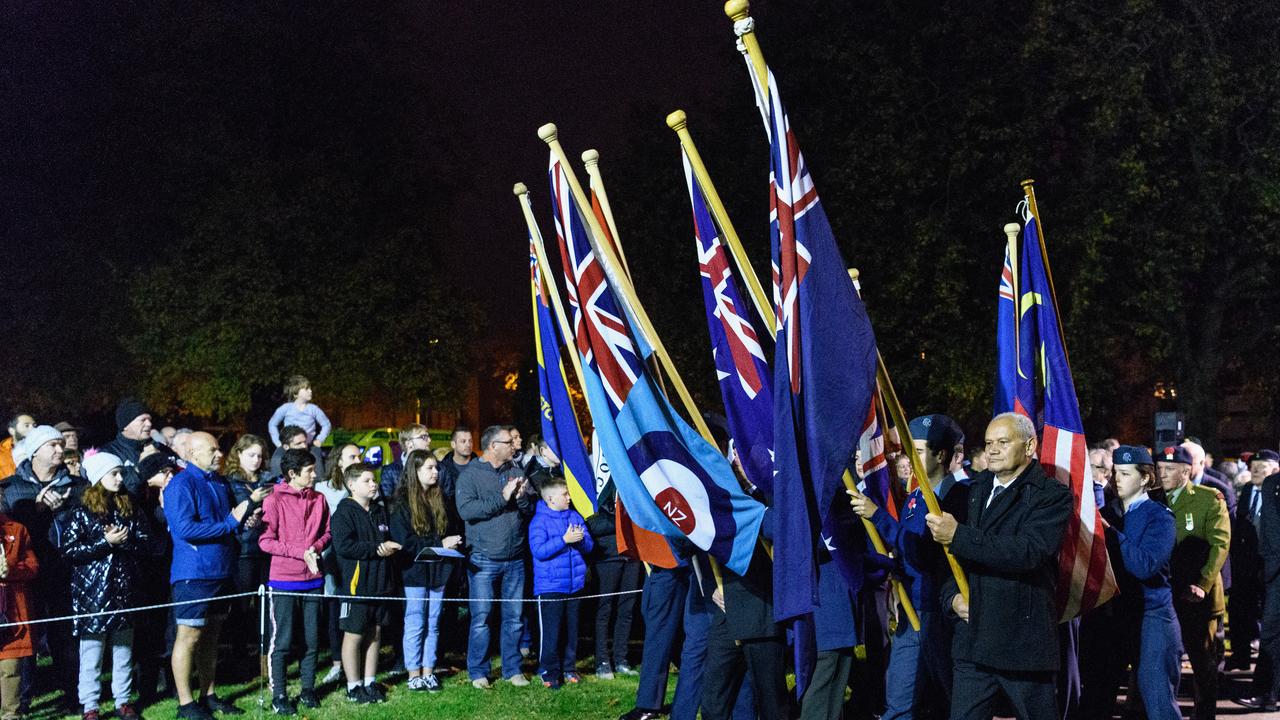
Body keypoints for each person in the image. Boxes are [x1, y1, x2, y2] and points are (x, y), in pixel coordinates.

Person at [926, 412, 1072, 720]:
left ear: (1030, 446)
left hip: (1021, 645)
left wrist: (960, 535)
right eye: (989, 442)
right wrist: (951, 598)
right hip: (973, 642)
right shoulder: (972, 491)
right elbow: (950, 561)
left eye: (1003, 442)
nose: (992, 449)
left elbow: (1028, 551)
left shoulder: (1050, 496)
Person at [849, 413, 969, 719]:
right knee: (900, 701)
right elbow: (905, 554)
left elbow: (925, 554)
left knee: (952, 700)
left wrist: (878, 516)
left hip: (939, 613)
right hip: (911, 607)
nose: (910, 458)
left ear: (941, 455)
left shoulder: (959, 496)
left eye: (918, 451)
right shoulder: (915, 496)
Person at [164, 432, 268, 720]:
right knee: (189, 636)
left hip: (223, 570)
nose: (219, 454)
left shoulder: (220, 482)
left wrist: (243, 523)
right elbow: (186, 530)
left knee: (212, 636)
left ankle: (208, 696)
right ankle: (185, 704)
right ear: (192, 453)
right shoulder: (181, 484)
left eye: (219, 448)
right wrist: (231, 522)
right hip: (195, 573)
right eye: (211, 450)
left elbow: (227, 524)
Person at [1093, 446, 1181, 720]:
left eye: (1126, 473)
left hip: (1151, 615)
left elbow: (1144, 566)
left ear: (1145, 478)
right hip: (1114, 615)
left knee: (1158, 702)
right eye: (1116, 473)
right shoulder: (1106, 513)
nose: (1117, 479)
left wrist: (1112, 534)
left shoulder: (1160, 517)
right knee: (1098, 697)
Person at [64, 453, 152, 720]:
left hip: (124, 588)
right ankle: (90, 705)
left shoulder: (129, 507)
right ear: (98, 477)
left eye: (120, 473)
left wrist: (123, 543)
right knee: (91, 653)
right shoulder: (80, 512)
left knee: (123, 650)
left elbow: (146, 542)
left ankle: (123, 700)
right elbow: (69, 550)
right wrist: (105, 543)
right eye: (113, 473)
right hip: (91, 592)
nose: (120, 478)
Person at [2, 424, 84, 712]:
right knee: (25, 641)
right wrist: (37, 511)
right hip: (25, 576)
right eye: (52, 445)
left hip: (65, 572)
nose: (59, 450)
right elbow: (10, 529)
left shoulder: (76, 487)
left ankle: (72, 696)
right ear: (35, 451)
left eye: (61, 445)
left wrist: (64, 511)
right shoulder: (11, 488)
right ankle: (22, 700)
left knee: (65, 637)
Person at [456, 425, 536, 688]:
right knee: (481, 618)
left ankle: (512, 669)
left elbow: (528, 510)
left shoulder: (515, 471)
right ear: (493, 446)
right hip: (483, 559)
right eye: (508, 442)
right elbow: (468, 511)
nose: (514, 445)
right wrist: (503, 498)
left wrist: (523, 498)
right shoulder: (470, 476)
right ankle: (478, 671)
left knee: (513, 617)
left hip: (515, 558)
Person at [1158, 444, 1230, 720]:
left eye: (1169, 469)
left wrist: (1203, 582)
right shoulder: (1154, 499)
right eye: (1160, 468)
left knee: (1202, 661)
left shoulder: (1209, 499)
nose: (1162, 474)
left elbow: (1219, 545)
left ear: (1187, 471)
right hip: (1166, 593)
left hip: (1197, 596)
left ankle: (1204, 713)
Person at [259, 448, 329, 715]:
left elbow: (327, 532)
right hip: (284, 581)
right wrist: (299, 552)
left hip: (313, 579)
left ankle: (308, 690)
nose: (314, 474)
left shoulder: (319, 499)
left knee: (311, 640)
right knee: (283, 641)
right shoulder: (274, 500)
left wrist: (316, 547)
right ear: (292, 474)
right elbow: (266, 541)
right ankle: (280, 694)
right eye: (309, 470)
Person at [390, 450, 463, 693]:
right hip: (414, 573)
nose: (436, 472)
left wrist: (448, 544)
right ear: (416, 471)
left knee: (434, 622)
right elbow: (405, 542)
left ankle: (428, 671)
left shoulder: (439, 498)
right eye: (430, 468)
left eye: (436, 467)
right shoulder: (401, 504)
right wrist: (439, 544)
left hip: (438, 572)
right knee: (415, 622)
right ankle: (413, 673)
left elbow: (446, 530)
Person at [331, 464, 400, 705]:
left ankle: (370, 681)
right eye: (367, 481)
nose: (374, 484)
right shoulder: (343, 513)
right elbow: (344, 547)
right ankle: (353, 685)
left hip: (381, 583)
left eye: (374, 480)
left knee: (376, 631)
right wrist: (378, 550)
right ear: (351, 485)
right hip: (356, 586)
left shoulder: (380, 512)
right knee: (354, 634)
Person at [528, 477, 592, 690]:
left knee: (572, 630)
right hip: (550, 586)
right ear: (551, 498)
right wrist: (564, 540)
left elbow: (589, 546)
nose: (569, 497)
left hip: (574, 585)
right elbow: (539, 551)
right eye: (565, 494)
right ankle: (549, 670)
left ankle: (569, 668)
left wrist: (580, 539)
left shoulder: (574, 516)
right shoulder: (539, 521)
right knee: (551, 631)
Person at [1236, 450, 1280, 710]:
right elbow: (1267, 533)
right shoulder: (1273, 485)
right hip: (1275, 573)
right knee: (1272, 633)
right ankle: (1266, 693)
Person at [1226, 449, 1276, 672]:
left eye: (1261, 467)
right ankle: (1240, 655)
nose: (1254, 470)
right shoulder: (1247, 490)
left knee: (1268, 618)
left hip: (1269, 566)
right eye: (1253, 466)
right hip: (1246, 565)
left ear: (1275, 470)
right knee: (1239, 612)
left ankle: (1266, 669)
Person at [585, 480, 641, 679]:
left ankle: (621, 659)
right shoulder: (600, 491)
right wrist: (619, 521)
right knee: (604, 610)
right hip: (608, 557)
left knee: (627, 609)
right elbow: (592, 523)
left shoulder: (632, 484)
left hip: (632, 556)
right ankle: (602, 660)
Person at [224, 435, 269, 664]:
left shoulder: (267, 480)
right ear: (238, 454)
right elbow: (230, 515)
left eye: (260, 456)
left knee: (266, 606)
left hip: (266, 549)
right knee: (241, 607)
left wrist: (264, 517)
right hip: (243, 550)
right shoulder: (231, 483)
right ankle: (238, 658)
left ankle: (265, 659)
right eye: (251, 455)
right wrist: (250, 508)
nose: (256, 460)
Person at [316, 444, 359, 686]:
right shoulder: (323, 489)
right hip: (331, 557)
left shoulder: (363, 483)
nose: (357, 459)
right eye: (351, 456)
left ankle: (356, 660)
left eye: (358, 455)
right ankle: (336, 663)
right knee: (334, 608)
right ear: (338, 461)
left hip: (354, 558)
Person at [0, 502, 38, 720]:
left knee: (10, 667)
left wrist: (10, 570)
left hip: (11, 611)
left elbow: (33, 566)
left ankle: (11, 714)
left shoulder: (17, 529)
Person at [101, 399, 160, 497]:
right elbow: (116, 490)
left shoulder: (158, 447)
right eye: (143, 420)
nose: (149, 424)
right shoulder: (108, 454)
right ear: (125, 425)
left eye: (149, 419)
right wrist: (140, 468)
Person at [266, 375, 331, 449]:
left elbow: (326, 424)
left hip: (308, 446)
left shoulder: (314, 409)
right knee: (276, 459)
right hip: (290, 446)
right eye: (306, 389)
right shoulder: (285, 408)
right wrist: (278, 442)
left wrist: (320, 439)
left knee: (317, 460)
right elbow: (272, 424)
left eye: (310, 388)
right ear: (295, 394)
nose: (310, 391)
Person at [378, 424, 432, 499]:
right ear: (409, 443)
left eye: (428, 436)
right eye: (424, 437)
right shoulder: (390, 471)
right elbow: (387, 503)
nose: (429, 440)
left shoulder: (439, 468)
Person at [0, 414, 35, 481]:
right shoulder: (1, 453)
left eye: (34, 425)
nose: (33, 429)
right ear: (12, 431)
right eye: (27, 426)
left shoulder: (42, 449)